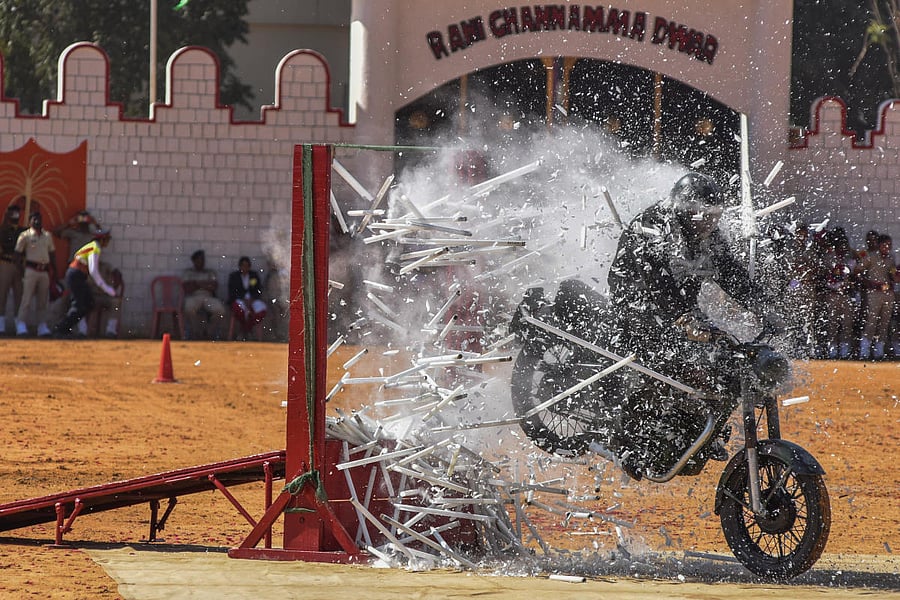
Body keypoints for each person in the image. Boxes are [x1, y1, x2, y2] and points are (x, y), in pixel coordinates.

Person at [607, 173, 780, 469]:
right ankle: (623, 436)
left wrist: (764, 307)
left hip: (677, 310)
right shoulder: (654, 225)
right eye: (705, 216)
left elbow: (730, 274)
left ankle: (693, 427)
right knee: (666, 364)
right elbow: (656, 280)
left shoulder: (707, 235)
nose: (711, 223)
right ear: (686, 209)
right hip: (636, 307)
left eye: (715, 216)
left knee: (722, 363)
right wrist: (682, 320)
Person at [53, 230, 117, 337]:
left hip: (79, 276)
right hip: (76, 275)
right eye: (106, 239)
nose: (107, 242)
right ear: (101, 239)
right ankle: (61, 329)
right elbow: (93, 271)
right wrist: (107, 288)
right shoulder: (95, 247)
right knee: (78, 305)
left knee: (89, 303)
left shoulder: (93, 246)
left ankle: (66, 327)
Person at [14, 212, 56, 337]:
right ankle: (21, 325)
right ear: (29, 221)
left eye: (39, 219)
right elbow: (17, 255)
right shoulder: (25, 236)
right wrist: (22, 271)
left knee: (43, 300)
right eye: (34, 219)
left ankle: (42, 326)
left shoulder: (47, 236)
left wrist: (55, 271)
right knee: (26, 299)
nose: (37, 221)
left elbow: (52, 254)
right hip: (31, 270)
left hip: (44, 271)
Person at [857, 233, 896, 360]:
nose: (887, 247)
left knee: (885, 322)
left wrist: (894, 277)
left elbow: (892, 274)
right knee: (871, 321)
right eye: (884, 245)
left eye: (889, 245)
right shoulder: (871, 257)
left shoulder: (891, 258)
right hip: (874, 292)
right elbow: (857, 270)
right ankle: (865, 350)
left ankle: (879, 350)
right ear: (879, 245)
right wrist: (867, 282)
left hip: (887, 293)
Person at [182, 249, 226, 340]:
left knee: (220, 310)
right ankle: (196, 332)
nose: (200, 262)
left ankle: (208, 332)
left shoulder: (210, 272)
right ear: (193, 261)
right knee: (188, 308)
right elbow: (187, 288)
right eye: (198, 260)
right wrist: (205, 284)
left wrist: (196, 283)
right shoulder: (188, 272)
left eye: (202, 260)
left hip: (208, 297)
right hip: (193, 296)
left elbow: (214, 286)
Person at [0, 204, 25, 334]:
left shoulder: (23, 231)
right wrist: (5, 217)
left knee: (19, 296)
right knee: (2, 294)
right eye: (12, 212)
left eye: (17, 212)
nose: (15, 215)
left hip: (19, 265)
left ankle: (19, 324)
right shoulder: (3, 230)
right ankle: (1, 323)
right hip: (6, 262)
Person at [227, 256, 267, 339]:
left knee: (261, 309)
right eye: (243, 265)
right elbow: (232, 292)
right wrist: (243, 299)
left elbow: (258, 290)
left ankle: (246, 330)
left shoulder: (254, 275)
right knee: (239, 309)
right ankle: (245, 330)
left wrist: (252, 299)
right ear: (240, 266)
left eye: (247, 266)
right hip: (240, 300)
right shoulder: (234, 276)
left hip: (252, 300)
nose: (245, 268)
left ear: (249, 267)